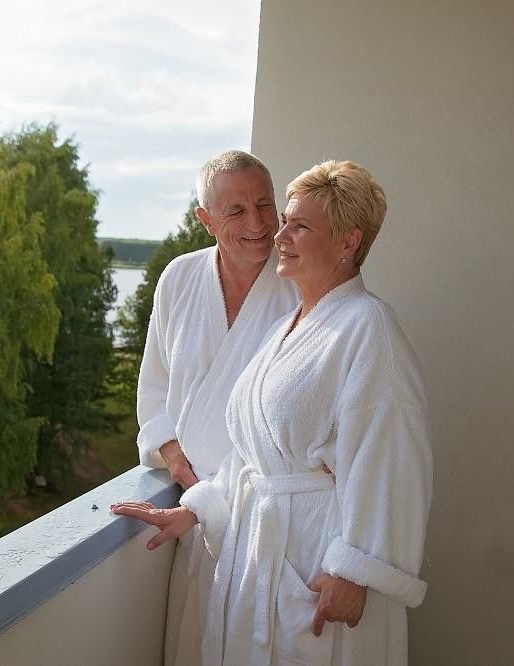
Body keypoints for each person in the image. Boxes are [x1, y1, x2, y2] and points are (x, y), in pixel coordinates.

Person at [115, 160, 433, 665]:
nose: (276, 234)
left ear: (348, 242)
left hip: (317, 563)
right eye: (286, 220)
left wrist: (357, 570)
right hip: (258, 550)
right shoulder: (291, 324)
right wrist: (197, 507)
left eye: (297, 225)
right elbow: (254, 452)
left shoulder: (370, 329)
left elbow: (391, 461)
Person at [136, 150, 298, 665]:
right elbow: (154, 390)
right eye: (236, 211)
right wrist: (178, 465)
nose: (257, 224)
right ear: (205, 220)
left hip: (266, 524)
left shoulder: (300, 284)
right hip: (193, 510)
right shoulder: (179, 280)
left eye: (265, 205)